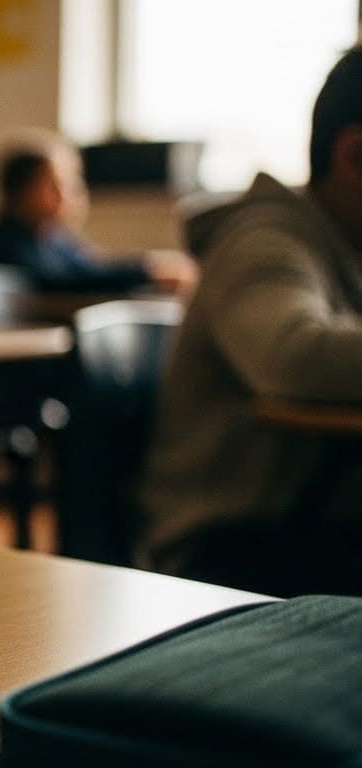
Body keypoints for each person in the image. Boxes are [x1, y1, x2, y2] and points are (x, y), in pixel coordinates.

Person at [139, 46, 362, 596]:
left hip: (312, 527)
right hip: (228, 547)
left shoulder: (342, 247)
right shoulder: (265, 240)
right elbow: (296, 356)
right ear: (355, 156)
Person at [0, 132, 198, 294]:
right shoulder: (5, 244)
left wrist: (150, 266)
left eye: (72, 182)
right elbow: (61, 283)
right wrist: (147, 271)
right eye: (56, 185)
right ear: (20, 191)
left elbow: (95, 268)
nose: (71, 194)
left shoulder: (53, 238)